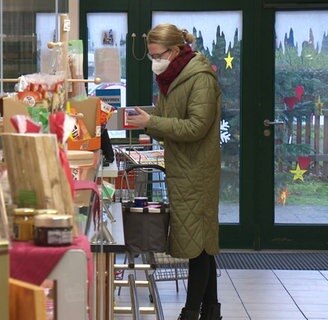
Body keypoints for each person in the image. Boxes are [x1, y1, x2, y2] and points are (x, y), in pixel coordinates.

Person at [126, 23, 222, 320]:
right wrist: (148, 118)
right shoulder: (172, 77)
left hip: (197, 172)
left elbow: (196, 126)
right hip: (183, 168)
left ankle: (190, 312)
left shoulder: (200, 78)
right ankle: (210, 311)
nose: (155, 61)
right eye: (151, 55)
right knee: (201, 243)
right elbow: (172, 119)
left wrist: (150, 123)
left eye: (158, 54)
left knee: (196, 245)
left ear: (176, 50)